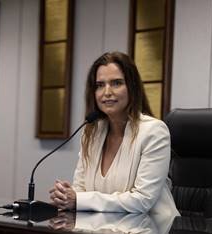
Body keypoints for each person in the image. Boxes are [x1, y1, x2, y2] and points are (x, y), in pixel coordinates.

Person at [49, 51, 178, 215]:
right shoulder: (91, 133)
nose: (107, 92)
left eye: (116, 83)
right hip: (105, 230)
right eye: (100, 85)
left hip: (152, 232)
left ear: (132, 87)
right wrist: (66, 196)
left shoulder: (154, 132)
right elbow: (81, 190)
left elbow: (142, 200)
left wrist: (79, 200)